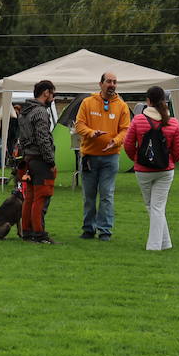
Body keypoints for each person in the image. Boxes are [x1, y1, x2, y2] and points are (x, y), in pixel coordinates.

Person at [123, 85, 179, 251]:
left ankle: (154, 245)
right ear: (164, 101)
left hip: (143, 170)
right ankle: (165, 243)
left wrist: (136, 159)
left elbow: (128, 144)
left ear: (148, 101)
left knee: (153, 206)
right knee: (157, 207)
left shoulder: (138, 120)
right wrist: (171, 160)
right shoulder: (172, 122)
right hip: (165, 170)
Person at [73, 71, 131, 241]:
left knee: (107, 195)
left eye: (114, 82)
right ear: (101, 84)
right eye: (108, 81)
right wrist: (92, 133)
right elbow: (79, 125)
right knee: (89, 196)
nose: (112, 84)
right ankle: (88, 229)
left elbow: (125, 130)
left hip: (110, 157)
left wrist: (116, 141)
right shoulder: (87, 102)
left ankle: (105, 231)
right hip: (89, 156)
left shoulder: (122, 106)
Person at [18, 80, 58, 243]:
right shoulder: (41, 112)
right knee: (41, 197)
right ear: (46, 93)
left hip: (28, 159)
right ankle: (39, 234)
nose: (53, 98)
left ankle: (27, 231)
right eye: (53, 94)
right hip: (40, 160)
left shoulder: (24, 112)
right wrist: (50, 161)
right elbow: (43, 139)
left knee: (29, 198)